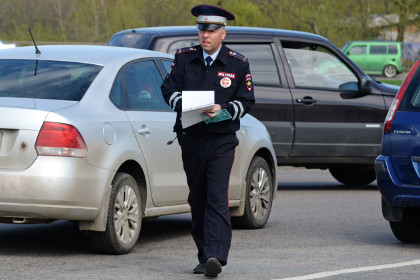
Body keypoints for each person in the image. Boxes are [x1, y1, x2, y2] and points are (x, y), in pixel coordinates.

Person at [161, 4, 255, 278]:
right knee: (198, 197)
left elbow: (247, 100)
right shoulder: (183, 58)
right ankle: (204, 255)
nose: (205, 35)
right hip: (190, 138)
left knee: (216, 196)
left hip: (221, 140)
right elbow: (168, 88)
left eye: (212, 30)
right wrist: (184, 104)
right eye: (202, 29)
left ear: (223, 33)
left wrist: (224, 111)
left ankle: (216, 255)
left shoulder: (238, 63)